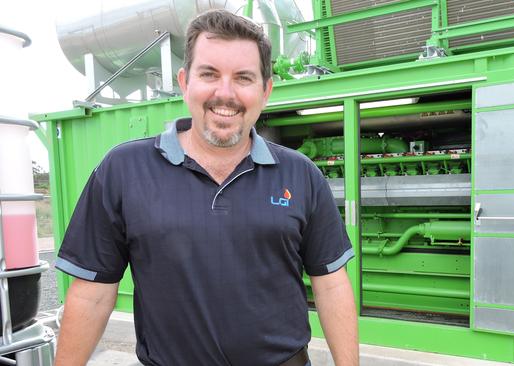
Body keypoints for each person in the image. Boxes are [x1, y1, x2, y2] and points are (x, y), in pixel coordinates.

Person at [54, 9, 358, 366]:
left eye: (243, 78)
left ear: (266, 90)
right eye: (209, 74)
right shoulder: (123, 170)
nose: (224, 93)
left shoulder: (301, 174)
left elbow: (331, 285)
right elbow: (92, 294)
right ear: (185, 82)